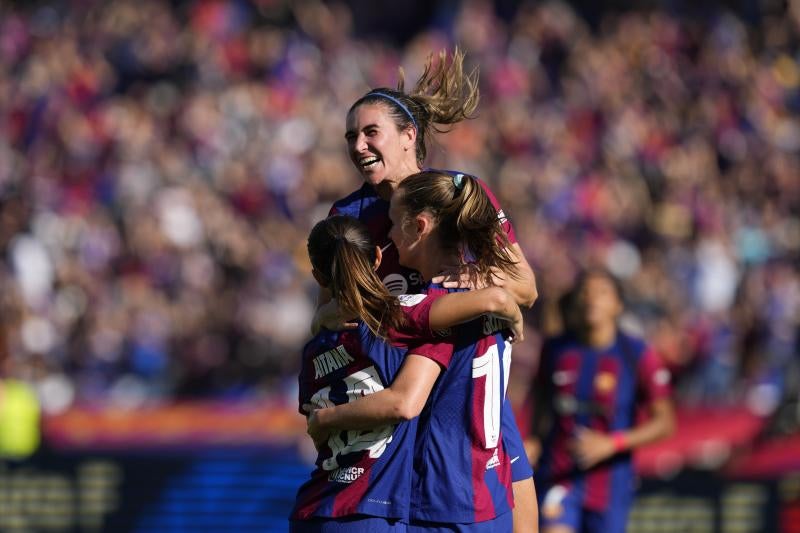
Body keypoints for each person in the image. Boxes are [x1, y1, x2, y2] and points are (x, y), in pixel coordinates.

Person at [315, 48, 539, 531]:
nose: (358, 145)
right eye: (351, 136)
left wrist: (489, 285)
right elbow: (328, 315)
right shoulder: (346, 218)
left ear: (409, 136)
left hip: (466, 378)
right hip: (396, 383)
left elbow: (525, 286)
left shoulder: (460, 193)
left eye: (370, 132)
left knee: (510, 482)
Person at [291, 214, 525, 533]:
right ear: (377, 257)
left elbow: (316, 428)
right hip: (369, 511)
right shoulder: (401, 318)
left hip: (313, 509)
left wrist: (325, 418)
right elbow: (496, 299)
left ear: (318, 277)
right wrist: (514, 316)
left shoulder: (313, 346)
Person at [525, 269, 676, 533]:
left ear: (617, 305)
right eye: (586, 292)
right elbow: (541, 400)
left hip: (610, 484)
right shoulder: (556, 349)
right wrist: (535, 439)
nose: (592, 299)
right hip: (559, 473)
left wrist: (612, 443)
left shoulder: (635, 354)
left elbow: (665, 422)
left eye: (602, 293)